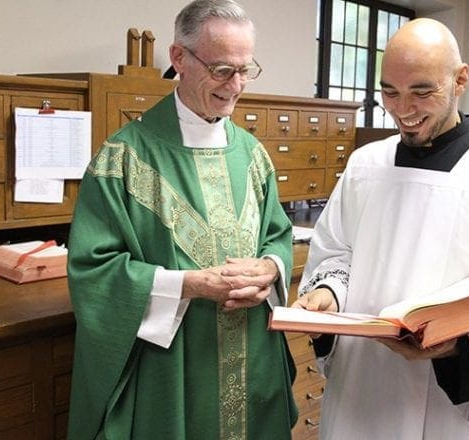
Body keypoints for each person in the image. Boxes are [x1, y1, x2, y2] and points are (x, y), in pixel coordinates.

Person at [292, 18, 469, 440]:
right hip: (362, 386)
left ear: (460, 80)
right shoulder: (365, 166)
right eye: (389, 92)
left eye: (422, 91)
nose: (403, 110)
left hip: (451, 409)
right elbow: (336, 252)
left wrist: (457, 347)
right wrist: (328, 293)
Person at [66, 1, 297, 438]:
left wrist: (270, 268)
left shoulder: (253, 155)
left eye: (246, 70)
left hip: (254, 359)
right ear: (179, 59)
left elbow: (277, 236)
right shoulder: (124, 159)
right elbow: (93, 270)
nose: (236, 86)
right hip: (171, 370)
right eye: (222, 70)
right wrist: (189, 285)